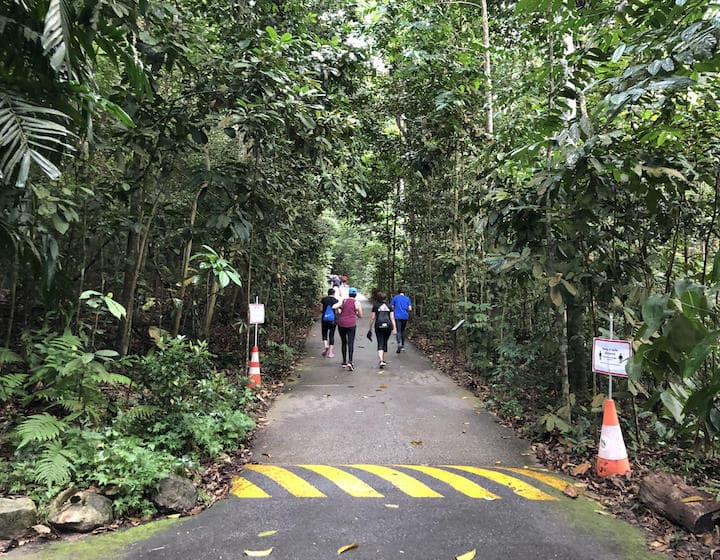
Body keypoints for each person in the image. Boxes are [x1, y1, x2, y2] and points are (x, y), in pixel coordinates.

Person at [333, 287, 362, 371]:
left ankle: (344, 362)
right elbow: (360, 316)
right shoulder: (357, 303)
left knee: (343, 342)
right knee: (350, 342)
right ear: (355, 294)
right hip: (351, 324)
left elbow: (334, 306)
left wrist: (339, 310)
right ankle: (350, 361)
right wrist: (356, 312)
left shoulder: (344, 301)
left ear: (349, 294)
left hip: (341, 323)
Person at [368, 291, 396, 368]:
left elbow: (373, 318)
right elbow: (392, 318)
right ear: (386, 298)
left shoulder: (376, 306)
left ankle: (381, 360)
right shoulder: (390, 306)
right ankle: (383, 360)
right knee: (385, 342)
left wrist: (370, 328)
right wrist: (394, 328)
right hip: (388, 326)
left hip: (378, 326)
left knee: (380, 342)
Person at [390, 287, 413, 353]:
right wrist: (405, 309)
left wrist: (396, 308)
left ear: (398, 291)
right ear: (405, 292)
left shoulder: (395, 298)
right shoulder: (407, 298)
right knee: (403, 330)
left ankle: (398, 343)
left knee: (398, 330)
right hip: (405, 316)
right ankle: (402, 346)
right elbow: (410, 308)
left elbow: (392, 306)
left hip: (397, 316)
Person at [320, 288, 339, 358]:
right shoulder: (336, 300)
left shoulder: (323, 299)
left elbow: (321, 309)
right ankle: (330, 353)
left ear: (328, 293)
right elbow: (337, 312)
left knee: (324, 333)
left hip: (324, 319)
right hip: (333, 320)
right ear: (334, 293)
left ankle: (325, 345)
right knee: (332, 335)